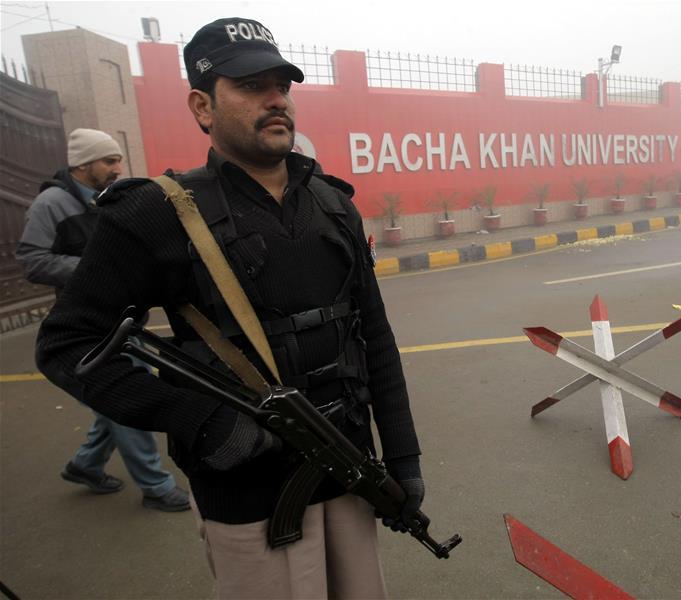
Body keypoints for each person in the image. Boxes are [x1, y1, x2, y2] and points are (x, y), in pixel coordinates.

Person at [35, 18, 423, 599]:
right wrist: (197, 418)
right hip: (247, 495)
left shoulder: (334, 206)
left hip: (348, 470)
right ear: (202, 106)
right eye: (250, 86)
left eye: (282, 86)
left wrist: (404, 456)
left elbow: (374, 338)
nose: (275, 100)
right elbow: (67, 345)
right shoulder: (155, 214)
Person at [17, 128, 190, 512]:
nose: (118, 167)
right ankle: (156, 487)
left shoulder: (108, 199)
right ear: (83, 164)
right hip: (92, 326)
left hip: (128, 322)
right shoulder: (51, 204)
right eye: (109, 161)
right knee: (127, 396)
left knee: (111, 400)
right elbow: (31, 259)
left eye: (118, 160)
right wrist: (96, 269)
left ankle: (85, 465)